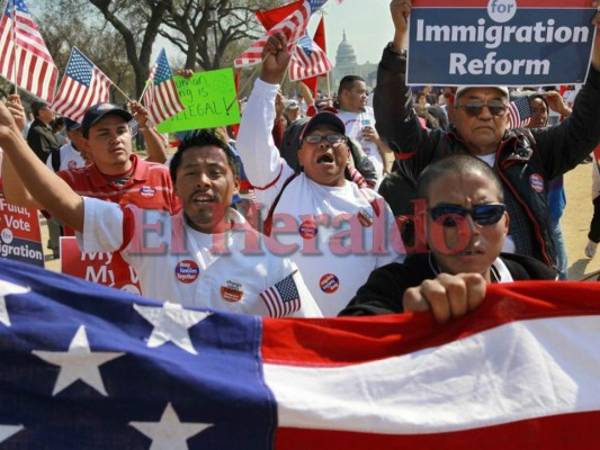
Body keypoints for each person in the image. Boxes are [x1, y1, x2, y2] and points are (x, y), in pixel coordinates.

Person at [0, 110, 322, 317]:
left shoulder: (275, 262)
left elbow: (309, 341)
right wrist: (13, 139)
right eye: (191, 173)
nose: (204, 181)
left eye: (215, 171)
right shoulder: (147, 232)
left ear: (235, 183)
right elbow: (68, 206)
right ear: (175, 188)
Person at [375, 0, 600, 269]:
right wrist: (400, 43)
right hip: (455, 295)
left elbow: (585, 129)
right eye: (472, 106)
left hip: (525, 295)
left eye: (495, 106)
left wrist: (597, 64)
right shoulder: (433, 153)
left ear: (508, 112)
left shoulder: (531, 148)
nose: (484, 114)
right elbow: (394, 123)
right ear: (454, 111)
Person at [236, 33, 404, 316]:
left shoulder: (373, 204)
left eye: (334, 138)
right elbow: (251, 143)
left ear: (348, 153)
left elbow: (392, 271)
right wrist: (268, 80)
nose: (325, 143)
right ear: (300, 156)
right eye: (314, 139)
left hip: (355, 333)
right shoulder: (280, 186)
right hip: (294, 334)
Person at [340, 155, 556, 322]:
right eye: (449, 217)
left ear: (506, 223)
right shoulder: (392, 288)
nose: (470, 230)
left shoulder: (537, 280)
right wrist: (406, 325)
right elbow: (347, 343)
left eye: (486, 214)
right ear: (423, 226)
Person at [2, 100, 180, 215]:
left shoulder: (161, 176)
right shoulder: (72, 182)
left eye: (121, 131)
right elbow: (21, 198)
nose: (115, 139)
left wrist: (145, 126)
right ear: (86, 144)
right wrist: (13, 134)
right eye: (103, 133)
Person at [336, 75, 394, 186]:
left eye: (366, 93)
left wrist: (377, 140)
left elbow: (388, 150)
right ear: (345, 94)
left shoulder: (372, 114)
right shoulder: (334, 120)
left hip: (379, 182)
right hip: (353, 184)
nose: (365, 96)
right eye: (360, 92)